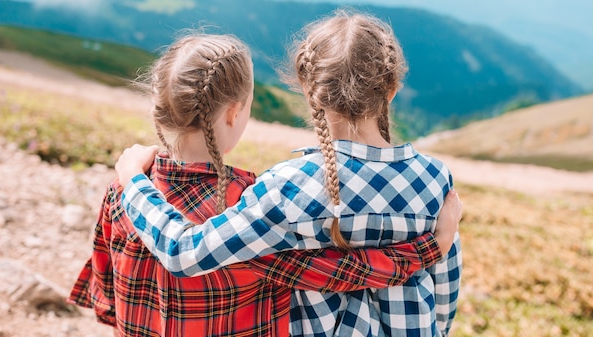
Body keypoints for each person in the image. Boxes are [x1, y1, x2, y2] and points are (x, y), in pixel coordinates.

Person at [69, 32, 463, 337]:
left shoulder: (122, 189)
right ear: (235, 112)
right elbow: (331, 272)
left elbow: (105, 289)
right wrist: (427, 251)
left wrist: (134, 179)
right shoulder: (248, 197)